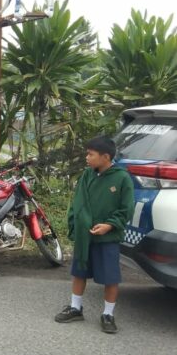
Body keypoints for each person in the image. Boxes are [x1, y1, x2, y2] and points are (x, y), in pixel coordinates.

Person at [54, 136, 134, 334]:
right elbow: (77, 203)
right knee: (79, 271)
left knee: (110, 277)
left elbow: (127, 209)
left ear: (105, 157)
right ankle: (75, 308)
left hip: (108, 237)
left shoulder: (122, 178)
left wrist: (109, 225)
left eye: (90, 154)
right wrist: (75, 225)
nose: (86, 158)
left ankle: (108, 314)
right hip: (85, 236)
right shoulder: (87, 176)